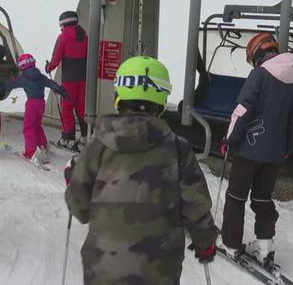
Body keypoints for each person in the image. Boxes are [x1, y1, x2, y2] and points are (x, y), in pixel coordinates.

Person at [65, 56, 219, 285]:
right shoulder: (177, 149)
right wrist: (205, 242)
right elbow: (195, 207)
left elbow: (79, 208)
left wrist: (73, 178)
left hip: (102, 270)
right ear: (161, 100)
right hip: (158, 272)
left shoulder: (97, 146)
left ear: (119, 96)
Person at [220, 33, 293, 269]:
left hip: (248, 151)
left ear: (256, 54)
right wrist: (286, 149)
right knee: (262, 199)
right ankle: (264, 247)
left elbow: (242, 110)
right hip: (274, 155)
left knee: (236, 197)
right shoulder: (292, 82)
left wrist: (228, 138)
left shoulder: (259, 75)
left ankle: (231, 244)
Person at [0, 54, 68, 167]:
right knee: (37, 125)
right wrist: (61, 91)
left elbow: (12, 84)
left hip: (32, 104)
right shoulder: (40, 76)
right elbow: (51, 84)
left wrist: (1, 87)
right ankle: (43, 146)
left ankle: (30, 152)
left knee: (28, 127)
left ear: (22, 67)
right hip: (41, 103)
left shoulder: (23, 77)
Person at [45, 11, 88, 149]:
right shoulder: (85, 36)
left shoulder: (63, 37)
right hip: (83, 78)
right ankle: (85, 136)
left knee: (67, 108)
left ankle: (68, 139)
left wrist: (49, 67)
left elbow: (56, 57)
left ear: (64, 23)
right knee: (81, 107)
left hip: (69, 79)